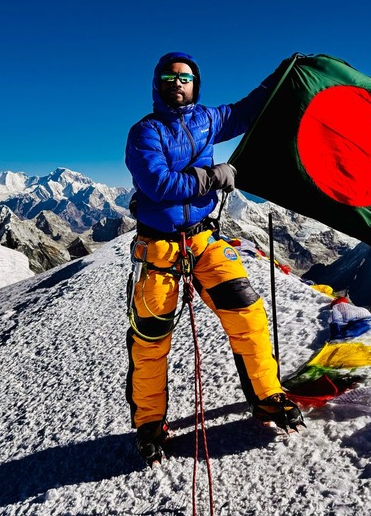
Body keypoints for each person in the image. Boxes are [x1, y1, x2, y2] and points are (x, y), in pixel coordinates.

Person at [124, 51, 304, 465]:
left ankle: (267, 396)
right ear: (158, 85)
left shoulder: (208, 120)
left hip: (204, 242)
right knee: (149, 344)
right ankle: (149, 423)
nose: (177, 83)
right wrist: (212, 176)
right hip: (159, 250)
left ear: (195, 84)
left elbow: (248, 109)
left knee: (248, 314)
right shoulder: (145, 132)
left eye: (184, 78)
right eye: (168, 77)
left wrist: (283, 73)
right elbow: (156, 183)